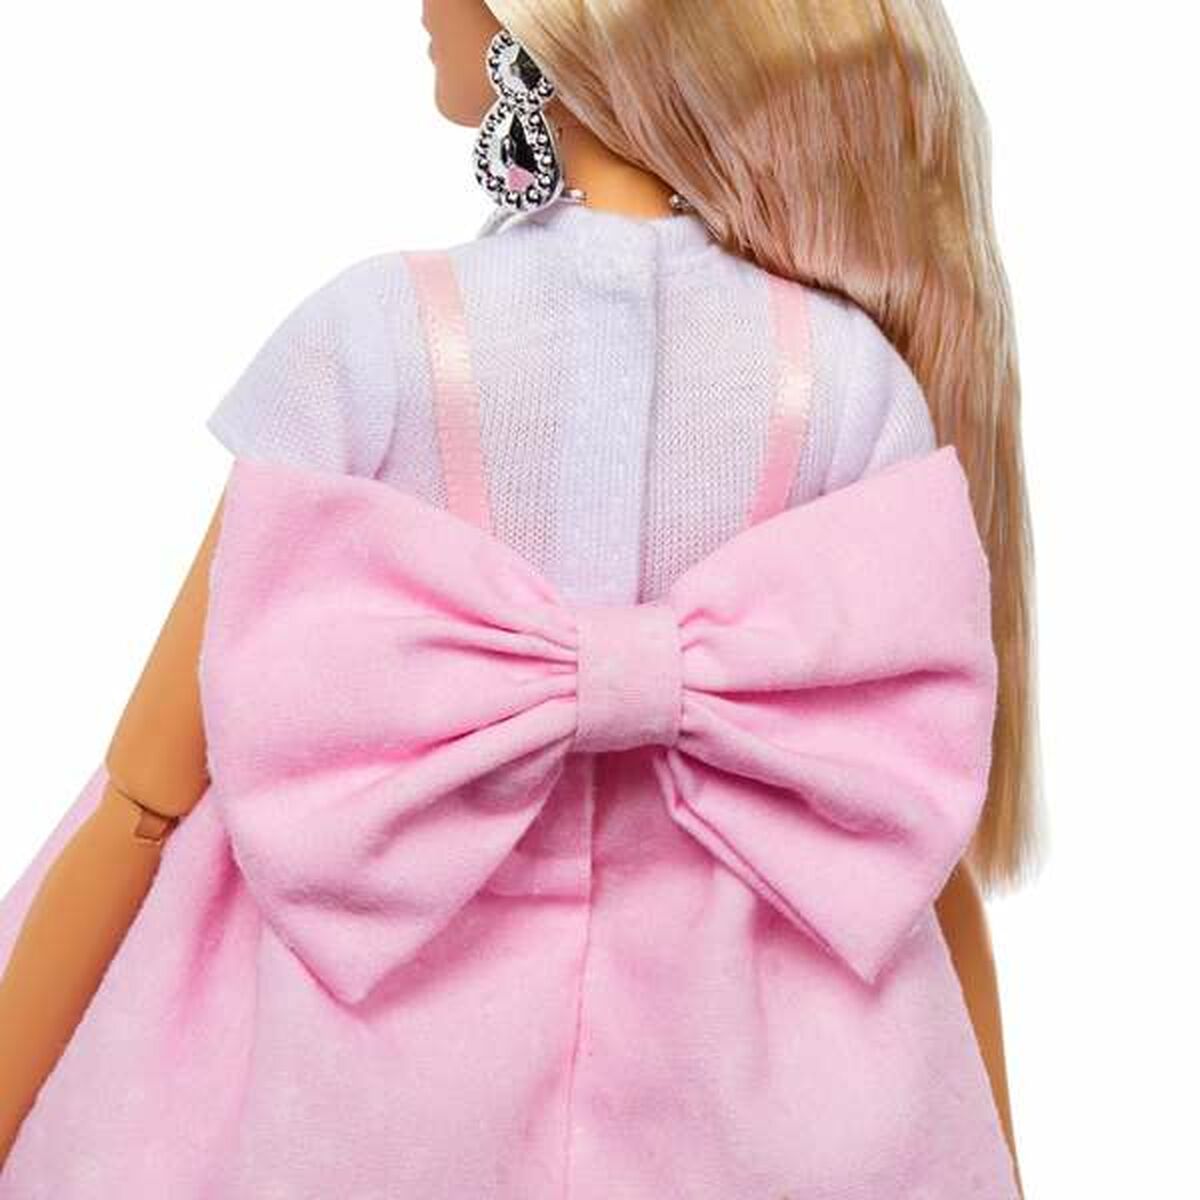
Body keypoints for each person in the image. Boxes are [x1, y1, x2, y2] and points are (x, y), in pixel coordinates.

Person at [0, 2, 1040, 1194]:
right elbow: (902, 824)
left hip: (355, 1070)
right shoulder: (848, 380)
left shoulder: (377, 338)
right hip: (761, 1095)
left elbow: (146, 790)